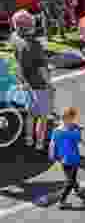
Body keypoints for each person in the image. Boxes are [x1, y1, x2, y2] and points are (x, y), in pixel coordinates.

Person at [10, 10, 52, 150]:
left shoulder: (14, 37)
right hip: (39, 83)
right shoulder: (35, 45)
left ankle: (29, 139)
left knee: (31, 113)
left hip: (25, 81)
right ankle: (39, 143)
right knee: (43, 116)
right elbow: (42, 69)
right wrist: (49, 84)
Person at [49, 107, 85, 209]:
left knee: (72, 176)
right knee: (69, 181)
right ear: (69, 118)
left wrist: (53, 156)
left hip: (63, 159)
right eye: (73, 118)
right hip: (72, 159)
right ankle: (61, 200)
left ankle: (77, 189)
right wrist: (79, 131)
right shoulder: (74, 132)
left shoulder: (57, 130)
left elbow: (52, 144)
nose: (74, 121)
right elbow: (81, 141)